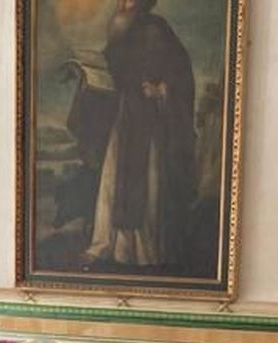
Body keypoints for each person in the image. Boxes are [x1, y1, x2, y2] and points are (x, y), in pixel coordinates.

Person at [83, 0, 197, 272]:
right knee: (114, 180)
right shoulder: (120, 31)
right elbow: (116, 72)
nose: (123, 2)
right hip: (126, 116)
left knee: (144, 183)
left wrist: (162, 89)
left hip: (148, 122)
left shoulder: (155, 28)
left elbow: (181, 73)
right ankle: (108, 245)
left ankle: (142, 253)